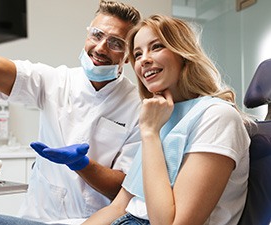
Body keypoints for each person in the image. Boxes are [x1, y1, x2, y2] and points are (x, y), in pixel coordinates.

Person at [0, 0, 141, 223]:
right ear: (87, 34)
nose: (101, 48)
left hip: (91, 220)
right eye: (97, 35)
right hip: (37, 216)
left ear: (128, 55)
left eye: (115, 43)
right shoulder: (54, 81)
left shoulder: (137, 106)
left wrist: (82, 164)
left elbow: (123, 190)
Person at [81, 14, 252, 225]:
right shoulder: (161, 116)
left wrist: (150, 134)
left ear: (183, 53)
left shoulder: (217, 117)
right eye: (137, 54)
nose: (144, 59)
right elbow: (119, 206)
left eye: (156, 47)